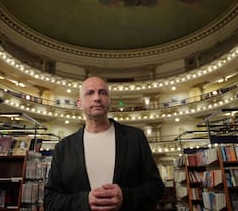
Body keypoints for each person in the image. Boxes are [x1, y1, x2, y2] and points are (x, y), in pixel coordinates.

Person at [44, 76, 164, 211]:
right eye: (90, 93)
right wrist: (84, 201)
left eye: (103, 92)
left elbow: (156, 187)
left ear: (110, 101)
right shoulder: (63, 148)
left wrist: (126, 197)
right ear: (79, 103)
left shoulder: (135, 138)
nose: (97, 98)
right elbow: (50, 200)